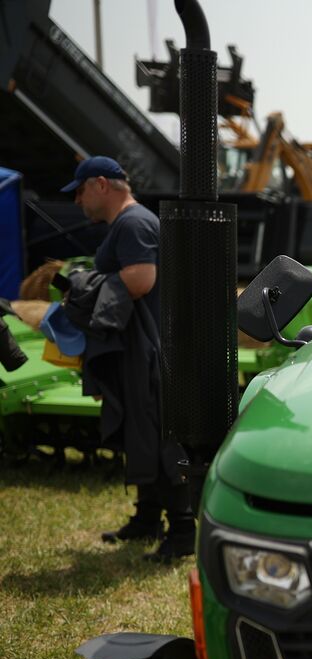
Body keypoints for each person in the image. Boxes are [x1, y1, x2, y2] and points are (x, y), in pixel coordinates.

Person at [64, 156, 195, 561]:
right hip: (141, 347)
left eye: (81, 191)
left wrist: (82, 284)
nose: (78, 201)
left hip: (151, 350)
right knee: (142, 433)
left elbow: (140, 281)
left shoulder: (134, 223)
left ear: (101, 184)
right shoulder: (127, 224)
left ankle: (183, 531)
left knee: (157, 437)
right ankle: (147, 518)